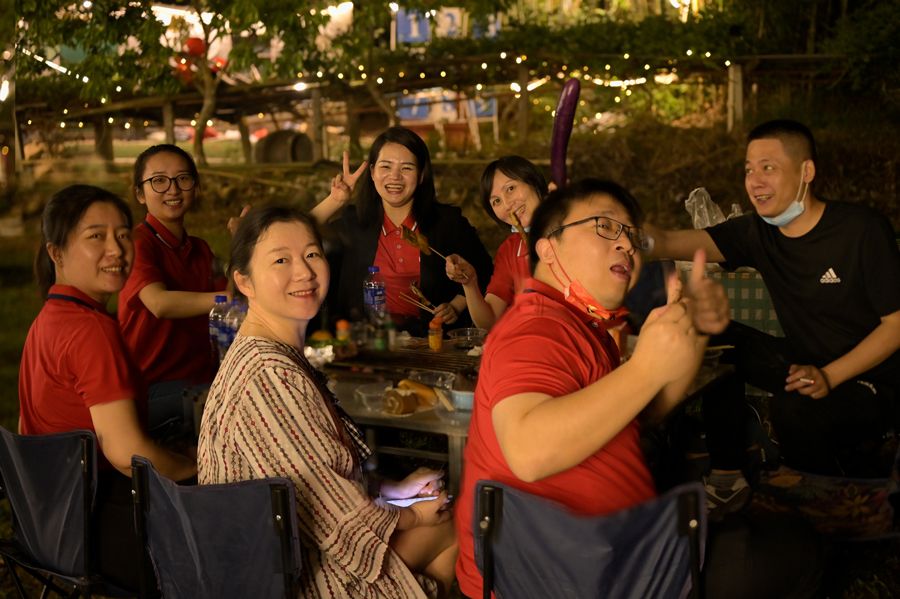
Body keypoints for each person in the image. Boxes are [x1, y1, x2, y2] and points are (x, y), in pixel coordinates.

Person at [454, 179, 821, 599]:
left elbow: (626, 418)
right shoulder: (535, 327)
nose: (627, 243)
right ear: (548, 248)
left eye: (631, 233)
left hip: (598, 553)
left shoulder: (582, 325)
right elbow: (528, 451)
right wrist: (645, 369)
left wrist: (691, 334)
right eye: (605, 226)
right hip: (551, 577)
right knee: (792, 550)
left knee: (777, 538)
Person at [198, 207, 459, 598]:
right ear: (244, 281)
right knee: (455, 524)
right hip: (286, 580)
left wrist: (394, 489)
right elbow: (337, 515)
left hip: (274, 560)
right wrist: (413, 515)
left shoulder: (262, 353)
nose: (304, 271)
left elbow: (316, 476)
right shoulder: (270, 376)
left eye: (312, 254)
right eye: (281, 260)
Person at [643, 120, 900, 507]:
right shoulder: (757, 232)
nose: (755, 181)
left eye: (769, 167)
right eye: (748, 169)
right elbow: (666, 241)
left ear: (806, 172)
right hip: (805, 365)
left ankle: (829, 510)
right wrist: (621, 232)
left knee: (791, 408)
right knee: (715, 339)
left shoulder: (861, 230)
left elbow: (896, 325)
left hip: (874, 383)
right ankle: (727, 476)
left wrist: (829, 376)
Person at [19, 185, 198, 592]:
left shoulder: (50, 317)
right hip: (100, 528)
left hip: (47, 519)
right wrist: (193, 465)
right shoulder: (91, 331)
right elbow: (127, 454)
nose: (116, 249)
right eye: (96, 236)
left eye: (122, 235)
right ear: (56, 253)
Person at [309, 127, 493, 335]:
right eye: (386, 166)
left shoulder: (448, 222)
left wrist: (456, 305)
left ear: (421, 175)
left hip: (431, 339)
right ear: (372, 172)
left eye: (406, 168)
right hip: (368, 340)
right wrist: (335, 201)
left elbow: (484, 268)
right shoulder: (354, 223)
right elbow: (295, 235)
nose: (395, 176)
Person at [118, 144, 242, 431]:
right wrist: (226, 299)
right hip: (151, 388)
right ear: (140, 193)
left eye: (183, 179)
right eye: (159, 180)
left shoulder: (199, 248)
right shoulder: (138, 243)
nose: (173, 189)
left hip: (200, 379)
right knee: (240, 400)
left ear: (195, 188)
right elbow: (159, 303)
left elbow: (231, 305)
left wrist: (241, 244)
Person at [444, 156, 548, 329]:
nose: (507, 205)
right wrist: (469, 283)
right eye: (496, 201)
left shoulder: (574, 230)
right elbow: (489, 322)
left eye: (511, 188)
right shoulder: (510, 250)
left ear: (534, 182)